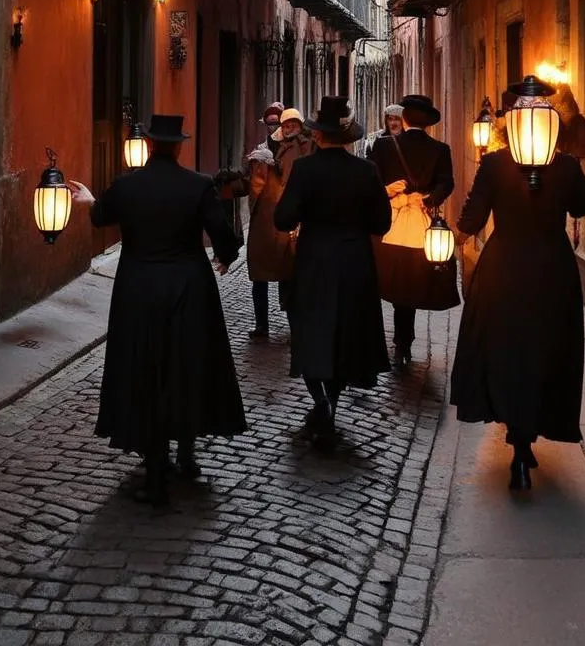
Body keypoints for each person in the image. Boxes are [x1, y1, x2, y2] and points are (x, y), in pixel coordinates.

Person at [68, 114, 246, 506]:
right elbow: (224, 235)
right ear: (179, 146)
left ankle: (155, 465)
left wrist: (88, 199)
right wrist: (226, 257)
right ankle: (185, 451)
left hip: (139, 289)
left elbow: (100, 216)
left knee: (145, 368)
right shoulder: (198, 185)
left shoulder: (127, 186)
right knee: (186, 365)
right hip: (189, 286)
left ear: (148, 144)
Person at [450, 91, 585, 492]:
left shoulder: (495, 163)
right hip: (551, 270)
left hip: (504, 269)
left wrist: (453, 239)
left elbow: (473, 216)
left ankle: (518, 438)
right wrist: (570, 168)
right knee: (545, 349)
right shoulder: (564, 166)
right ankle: (525, 438)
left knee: (507, 349)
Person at [274, 96, 392, 452]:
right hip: (355, 262)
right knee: (346, 334)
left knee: (311, 332)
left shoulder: (305, 170)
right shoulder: (367, 170)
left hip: (315, 262)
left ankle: (321, 403)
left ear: (319, 135)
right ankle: (332, 406)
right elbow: (381, 222)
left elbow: (283, 219)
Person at [369, 94, 457, 369]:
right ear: (429, 124)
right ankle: (404, 340)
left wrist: (390, 192)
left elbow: (371, 184)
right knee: (414, 281)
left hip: (390, 225)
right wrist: (429, 200)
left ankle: (399, 343)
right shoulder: (440, 150)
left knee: (394, 284)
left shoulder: (382, 146)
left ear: (404, 118)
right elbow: (447, 183)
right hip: (422, 223)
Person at [225, 145, 296, 338]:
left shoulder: (279, 179)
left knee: (285, 279)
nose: (255, 169)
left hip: (278, 235)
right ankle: (262, 325)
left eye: (258, 165)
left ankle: (290, 324)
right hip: (261, 237)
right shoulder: (257, 179)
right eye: (253, 165)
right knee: (260, 280)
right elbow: (242, 186)